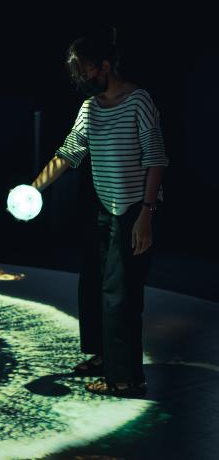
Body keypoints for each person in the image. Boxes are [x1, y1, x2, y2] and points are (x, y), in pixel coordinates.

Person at [31, 29, 168, 397]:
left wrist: (146, 215)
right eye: (75, 73)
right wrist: (34, 187)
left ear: (105, 66)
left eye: (84, 71)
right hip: (104, 211)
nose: (79, 79)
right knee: (93, 284)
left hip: (133, 212)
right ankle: (104, 355)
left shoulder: (139, 101)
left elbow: (156, 161)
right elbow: (69, 153)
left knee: (120, 294)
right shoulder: (90, 109)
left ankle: (126, 378)